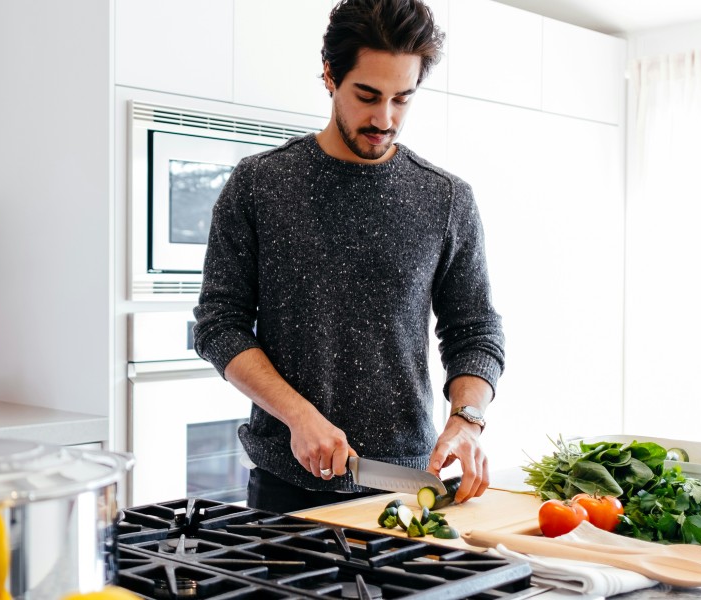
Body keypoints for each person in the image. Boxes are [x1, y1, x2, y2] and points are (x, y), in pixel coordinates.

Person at [191, 0, 505, 514]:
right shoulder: (259, 185)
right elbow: (219, 326)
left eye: (403, 98)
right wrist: (298, 416)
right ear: (329, 76)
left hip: (407, 485)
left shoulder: (446, 198)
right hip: (284, 489)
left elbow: (475, 330)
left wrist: (467, 418)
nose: (384, 119)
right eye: (367, 95)